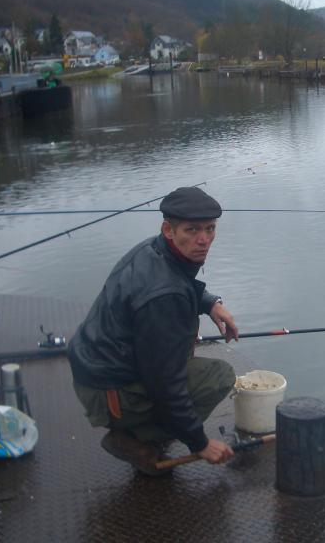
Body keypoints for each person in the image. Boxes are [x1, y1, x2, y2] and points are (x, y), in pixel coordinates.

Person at [68, 187, 239, 476]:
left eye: (210, 229)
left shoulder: (153, 249)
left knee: (179, 349)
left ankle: (141, 428)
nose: (204, 240)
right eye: (193, 229)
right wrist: (199, 443)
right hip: (107, 393)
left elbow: (176, 283)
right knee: (220, 376)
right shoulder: (163, 295)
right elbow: (166, 384)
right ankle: (137, 440)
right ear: (168, 229)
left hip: (96, 371)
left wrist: (209, 303)